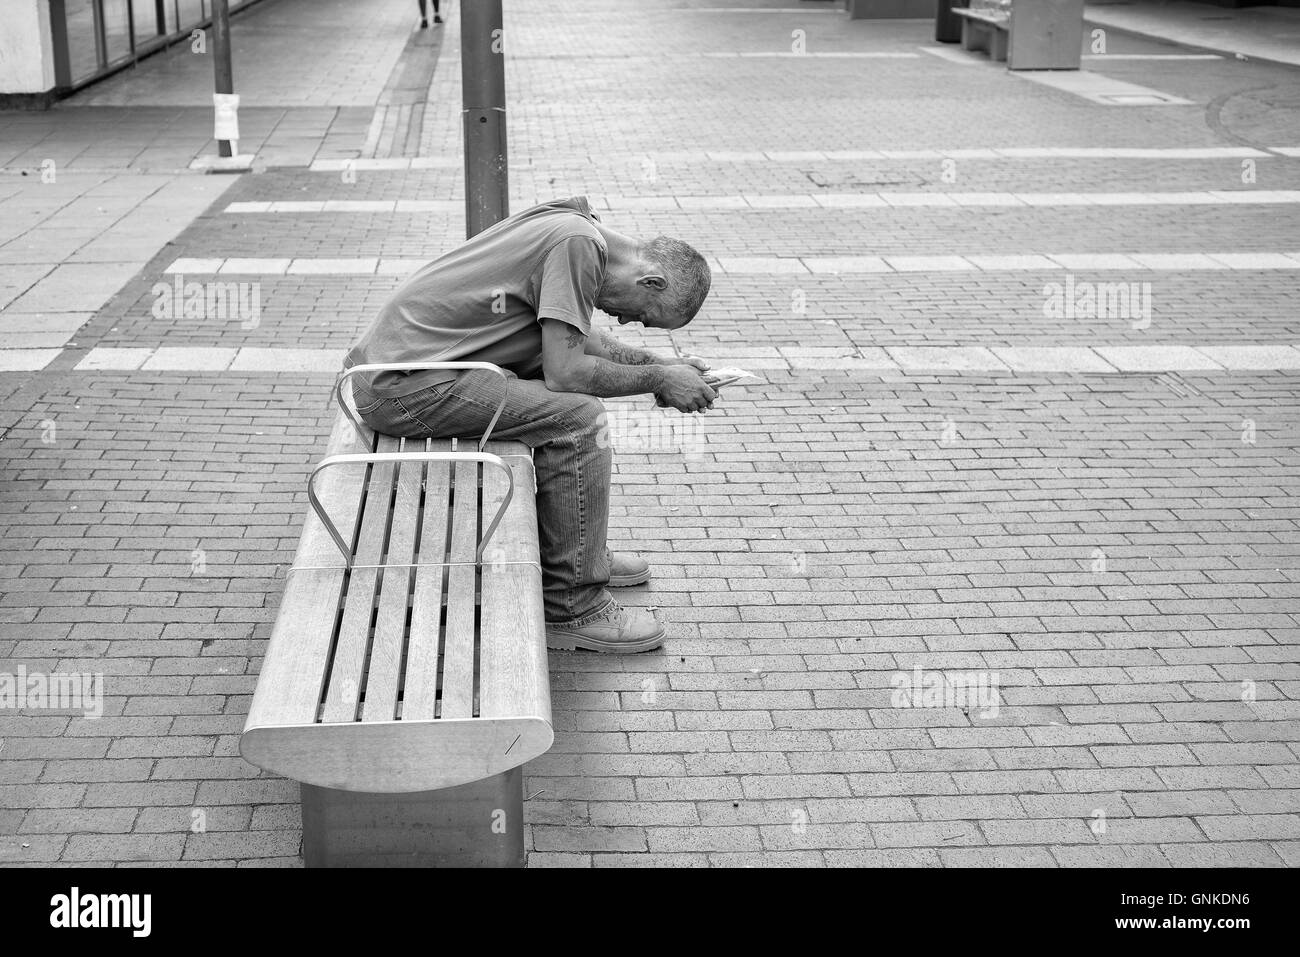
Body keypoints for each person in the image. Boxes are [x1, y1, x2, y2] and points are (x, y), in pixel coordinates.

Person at [344, 196, 715, 653]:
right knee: (579, 419)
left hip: (405, 370)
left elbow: (579, 338)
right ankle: (572, 606)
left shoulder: (575, 228)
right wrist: (659, 378)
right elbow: (566, 371)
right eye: (641, 315)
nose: (624, 319)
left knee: (571, 407)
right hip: (403, 387)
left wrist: (659, 365)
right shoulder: (577, 246)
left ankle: (580, 559)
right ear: (651, 280)